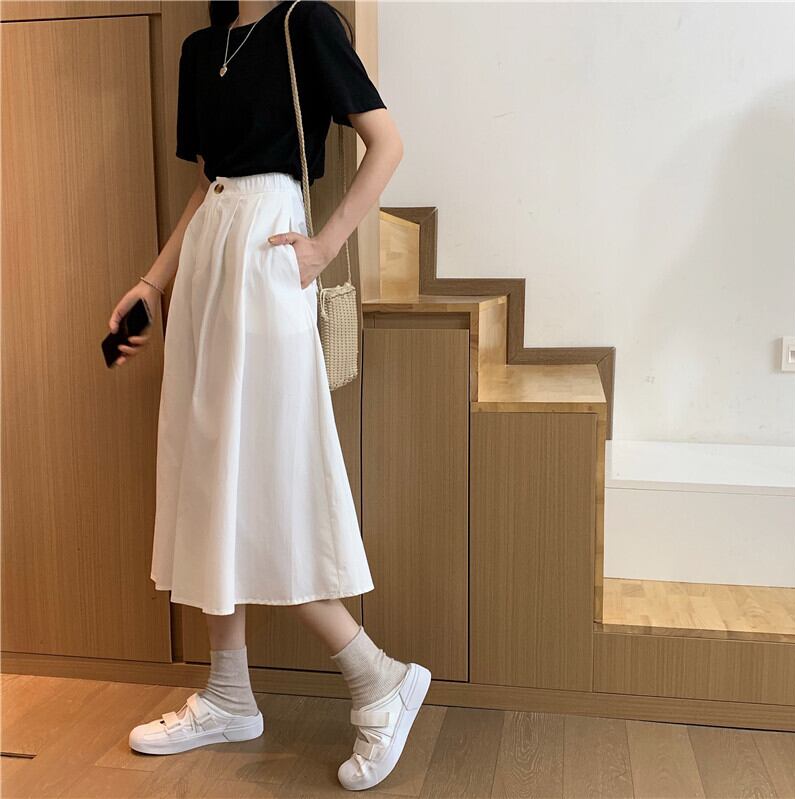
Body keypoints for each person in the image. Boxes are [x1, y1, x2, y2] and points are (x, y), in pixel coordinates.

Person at [111, 0, 430, 790]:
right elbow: (206, 188)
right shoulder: (200, 50)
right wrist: (152, 283)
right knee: (208, 475)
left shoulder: (305, 23)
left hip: (269, 256)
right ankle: (229, 693)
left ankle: (378, 676)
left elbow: (386, 143)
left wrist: (326, 245)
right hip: (211, 261)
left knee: (266, 482)